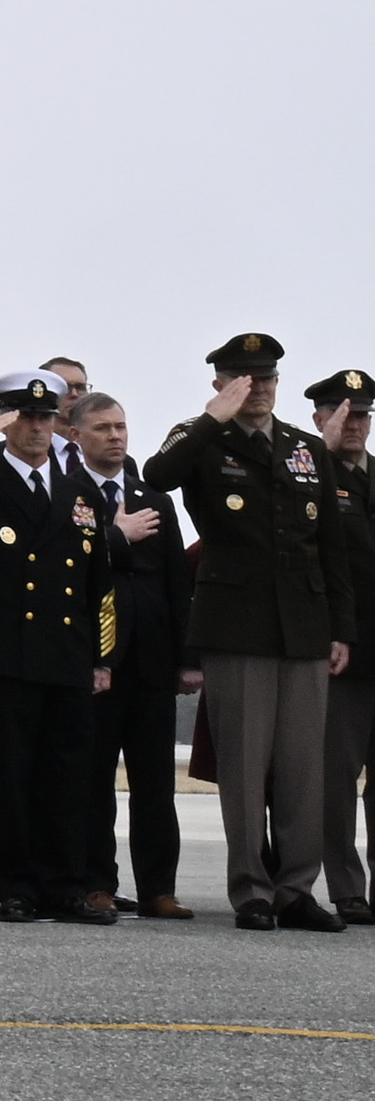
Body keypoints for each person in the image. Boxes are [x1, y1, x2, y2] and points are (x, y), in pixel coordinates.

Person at [150, 336, 347, 932]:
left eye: (266, 377)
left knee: (301, 767)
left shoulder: (306, 450)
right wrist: (212, 419)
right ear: (220, 384)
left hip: (305, 628)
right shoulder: (204, 439)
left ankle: (296, 890)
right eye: (243, 377)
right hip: (237, 626)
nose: (257, 387)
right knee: (242, 765)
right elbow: (160, 476)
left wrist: (341, 629)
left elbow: (330, 549)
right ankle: (252, 891)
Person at [0, 368, 116, 927]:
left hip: (67, 656)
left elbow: (100, 582)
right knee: (14, 777)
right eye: (25, 416)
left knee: (68, 779)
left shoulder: (77, 490)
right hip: (6, 657)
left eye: (46, 417)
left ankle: (66, 887)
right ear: (6, 422)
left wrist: (101, 656)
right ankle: (18, 888)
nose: (37, 427)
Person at [75, 389, 195, 920]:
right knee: (93, 782)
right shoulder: (68, 494)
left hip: (150, 662)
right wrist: (111, 536)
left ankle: (158, 889)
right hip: (95, 662)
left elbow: (175, 582)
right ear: (76, 435)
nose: (116, 437)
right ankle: (96, 882)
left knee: (155, 786)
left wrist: (186, 659)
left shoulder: (155, 499)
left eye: (121, 427)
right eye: (103, 428)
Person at [319, 368, 375, 925]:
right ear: (320, 419)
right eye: (343, 414)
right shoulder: (308, 478)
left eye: (361, 415)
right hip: (342, 655)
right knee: (335, 783)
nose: (354, 425)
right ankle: (345, 887)